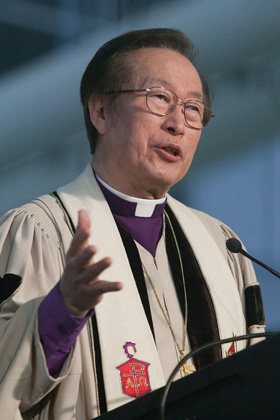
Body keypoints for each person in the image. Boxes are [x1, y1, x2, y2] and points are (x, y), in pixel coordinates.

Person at [0, 28, 265, 420]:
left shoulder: (223, 245)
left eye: (194, 108)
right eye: (160, 99)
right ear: (101, 112)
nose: (179, 123)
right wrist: (62, 311)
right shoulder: (40, 232)